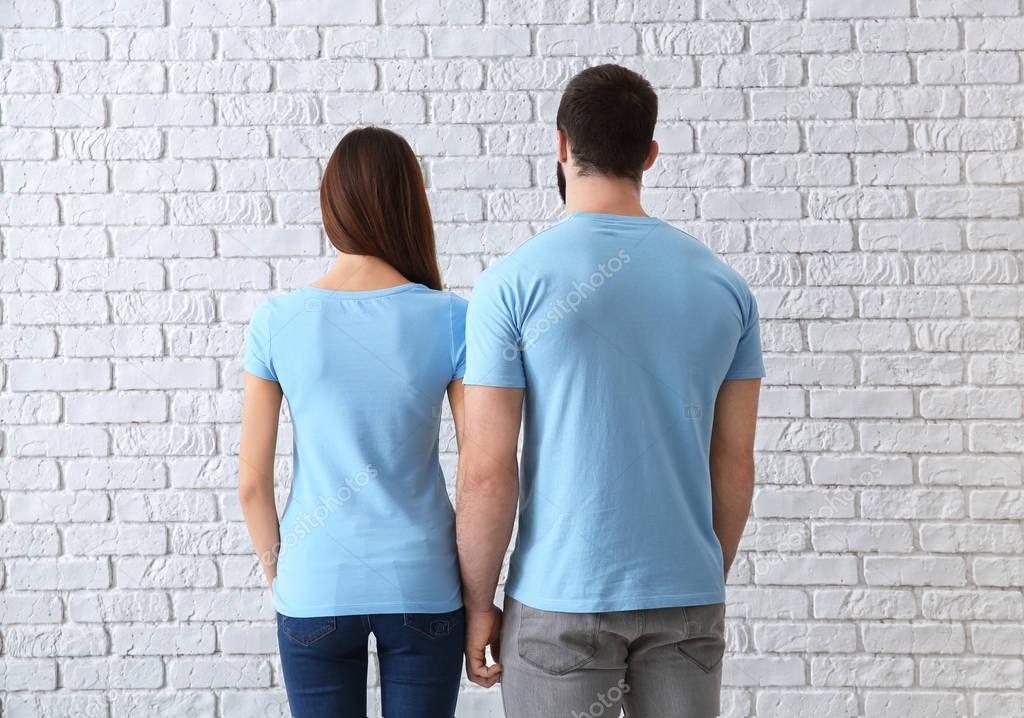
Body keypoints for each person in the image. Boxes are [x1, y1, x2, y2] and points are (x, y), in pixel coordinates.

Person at [456, 64, 764, 717]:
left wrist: (479, 602)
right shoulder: (726, 288)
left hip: (560, 599)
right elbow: (734, 461)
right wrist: (696, 580)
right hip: (686, 596)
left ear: (561, 145)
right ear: (649, 154)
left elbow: (486, 470)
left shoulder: (511, 284)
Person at [238, 127, 467, 718]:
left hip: (316, 582)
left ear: (331, 205)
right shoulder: (451, 318)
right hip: (422, 584)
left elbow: (251, 485)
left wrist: (282, 576)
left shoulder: (277, 321)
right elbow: (481, 470)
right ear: (410, 204)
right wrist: (481, 593)